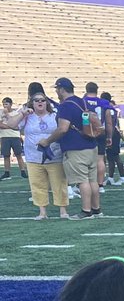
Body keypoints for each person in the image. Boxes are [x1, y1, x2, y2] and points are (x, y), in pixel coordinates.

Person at [37, 78, 103, 217]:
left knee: (82, 181)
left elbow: (63, 129)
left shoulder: (66, 106)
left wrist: (47, 141)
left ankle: (86, 211)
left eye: (57, 89)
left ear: (61, 89)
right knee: (93, 181)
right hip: (91, 145)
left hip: (76, 148)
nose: (56, 92)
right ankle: (96, 209)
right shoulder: (82, 101)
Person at [20, 90, 70, 219]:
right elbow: (12, 124)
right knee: (37, 185)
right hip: (33, 157)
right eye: (36, 100)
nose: (40, 102)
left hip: (54, 155)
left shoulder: (54, 116)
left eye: (42, 100)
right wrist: (22, 114)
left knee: (59, 183)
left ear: (46, 102)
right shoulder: (27, 117)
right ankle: (42, 212)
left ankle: (63, 210)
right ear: (32, 103)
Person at [83, 82, 114, 188]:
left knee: (86, 159)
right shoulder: (104, 102)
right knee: (100, 159)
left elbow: (85, 117)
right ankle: (100, 185)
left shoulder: (83, 102)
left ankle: (86, 183)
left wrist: (86, 130)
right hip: (100, 131)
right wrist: (109, 136)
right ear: (97, 90)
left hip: (87, 132)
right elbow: (109, 121)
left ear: (86, 90)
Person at [0, 97, 28, 180]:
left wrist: (8, 117)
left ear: (11, 104)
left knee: (18, 154)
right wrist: (11, 126)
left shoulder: (16, 113)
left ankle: (23, 171)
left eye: (6, 104)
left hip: (15, 136)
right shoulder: (1, 113)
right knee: (6, 155)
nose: (5, 106)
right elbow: (1, 125)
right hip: (4, 136)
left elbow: (17, 125)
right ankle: (7, 172)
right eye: (3, 104)